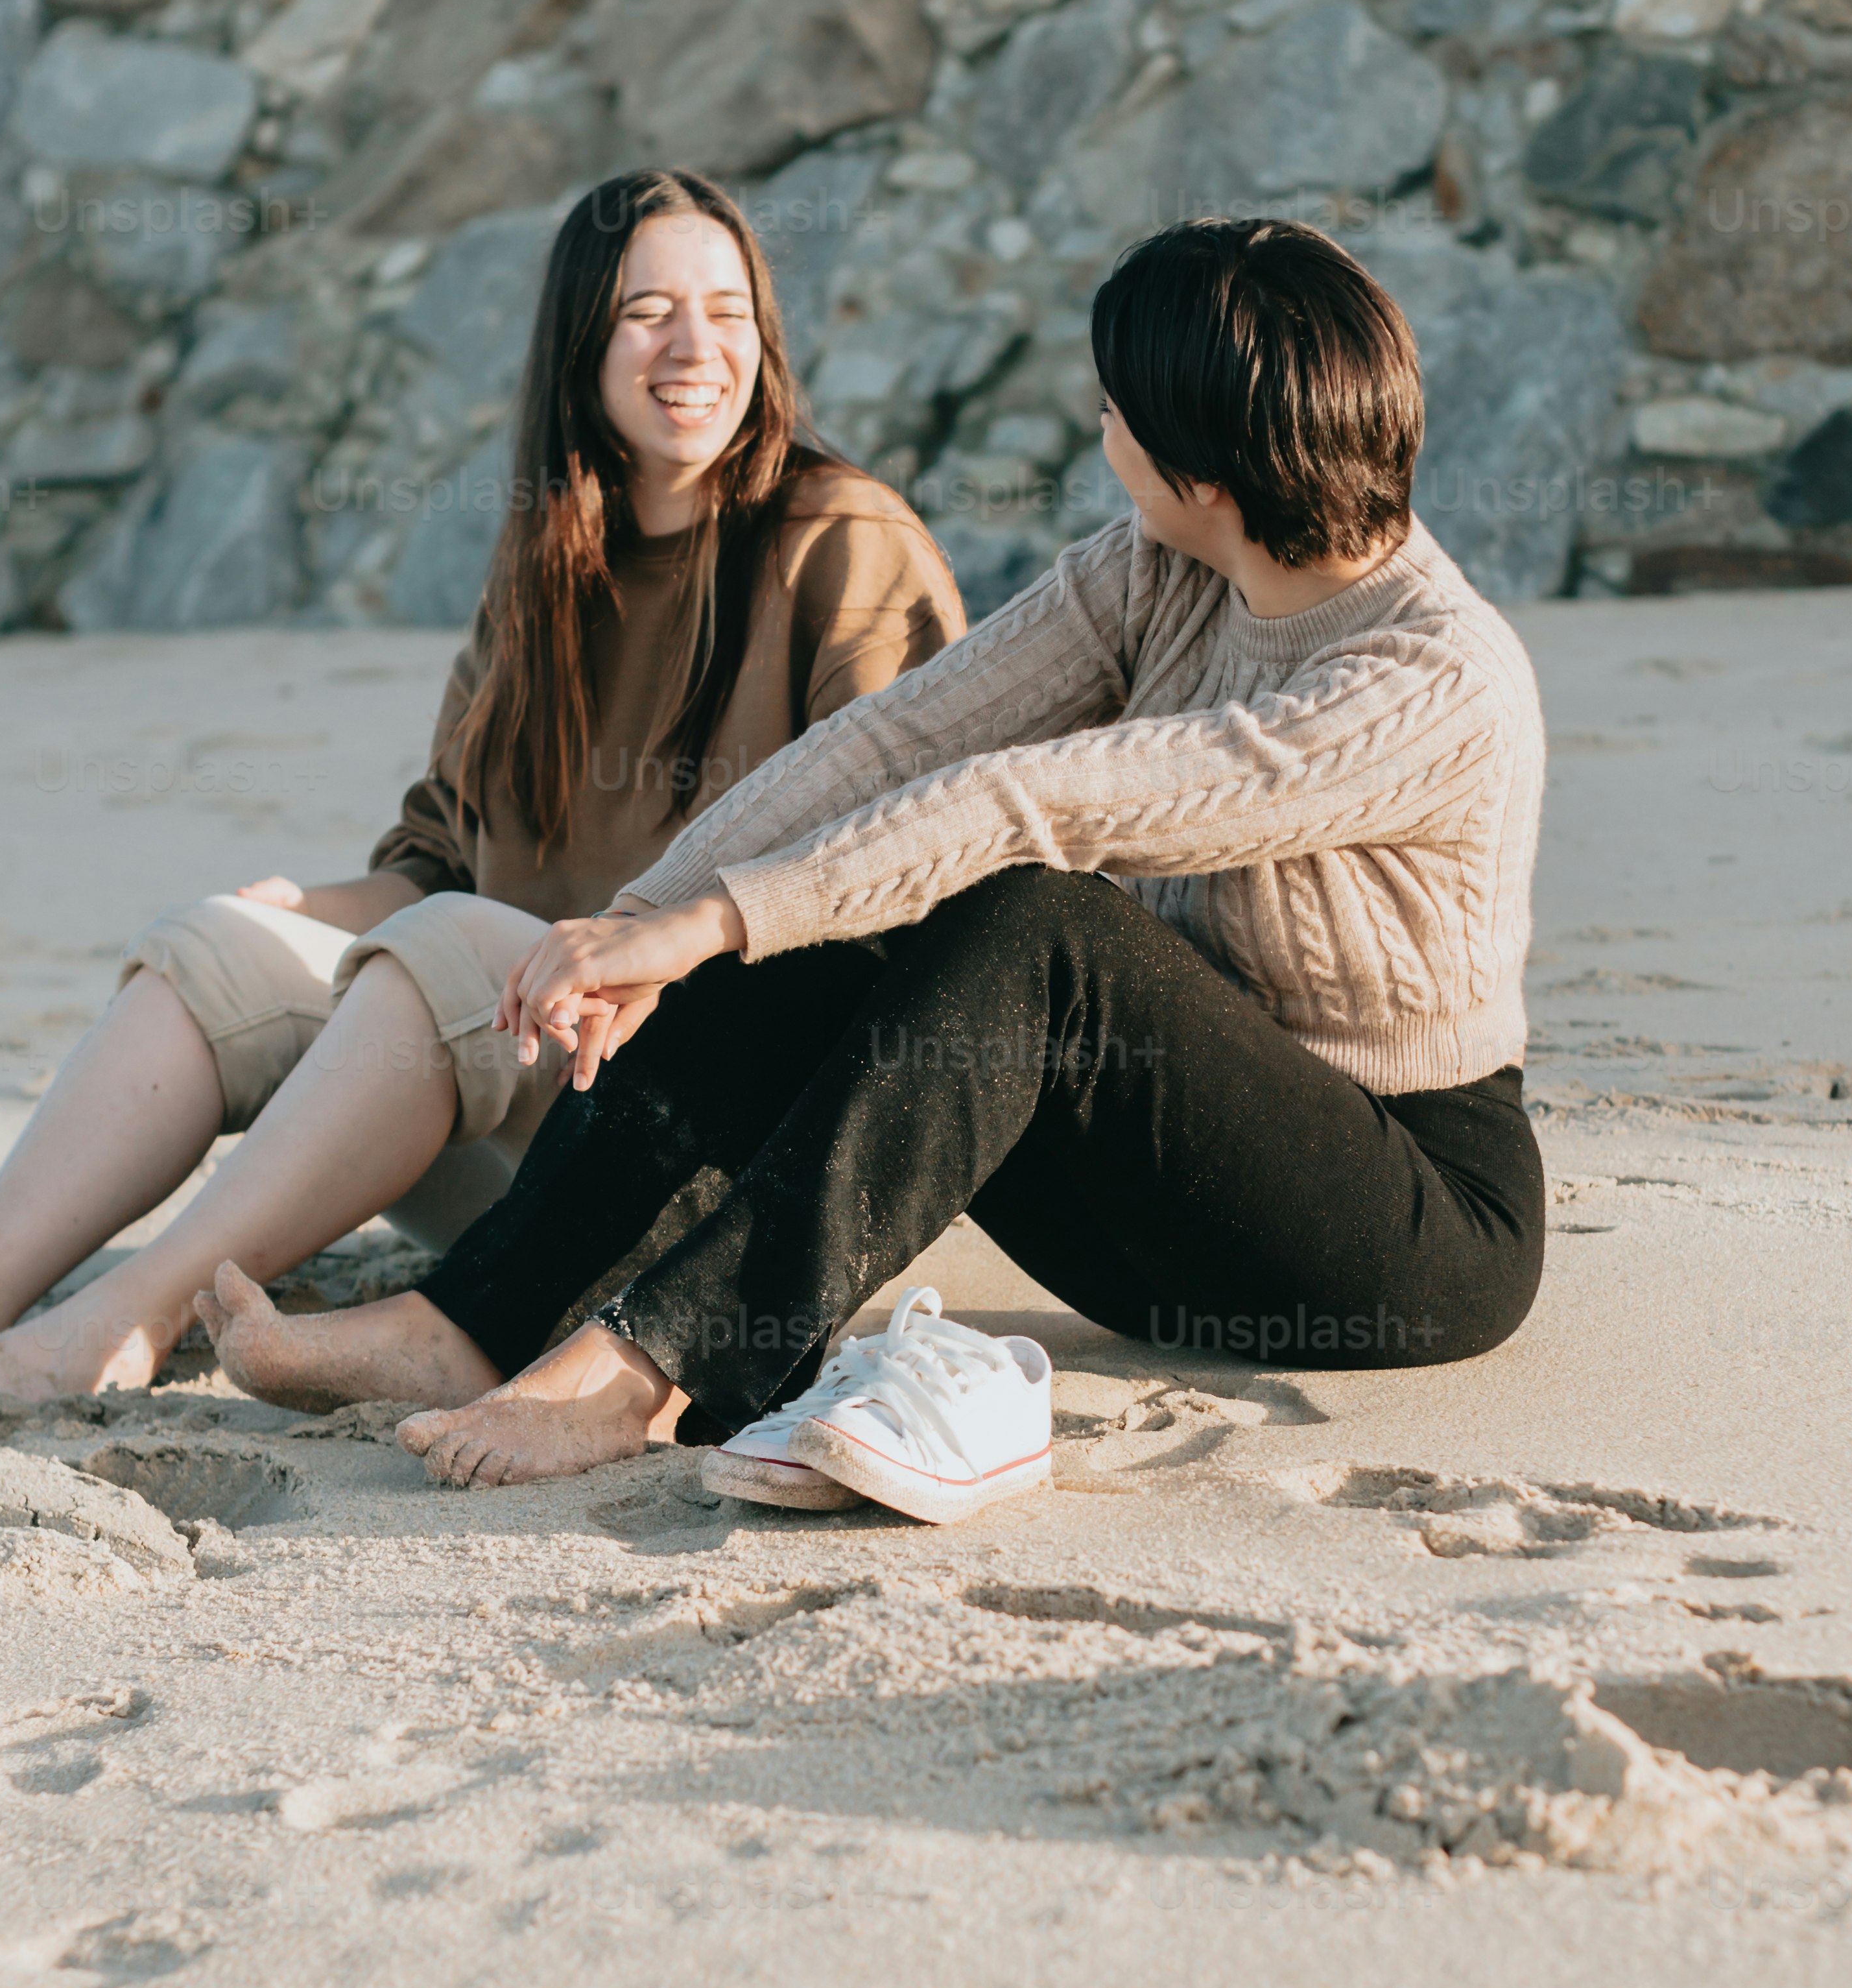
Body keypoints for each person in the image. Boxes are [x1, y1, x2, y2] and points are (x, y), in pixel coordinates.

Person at [193, 216, 1550, 1509]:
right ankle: (471, 1323)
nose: (1100, 431)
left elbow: (1033, 802)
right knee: (814, 925)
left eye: (1113, 412)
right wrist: (655, 919)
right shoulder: (1159, 568)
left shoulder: (1434, 679)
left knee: (1032, 919)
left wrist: (714, 918)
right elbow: (898, 739)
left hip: (1400, 1224)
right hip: (1162, 1191)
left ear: (1201, 471)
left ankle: (645, 1364)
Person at [0, 169, 964, 1405]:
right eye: (645, 312)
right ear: (581, 345)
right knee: (215, 944)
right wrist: (299, 903)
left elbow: (912, 866)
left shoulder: (844, 540)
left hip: (719, 1159)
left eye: (728, 313)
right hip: (527, 1131)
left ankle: (123, 1321)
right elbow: (439, 861)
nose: (694, 348)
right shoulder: (548, 565)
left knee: (449, 951)